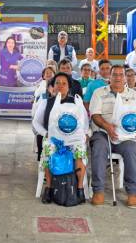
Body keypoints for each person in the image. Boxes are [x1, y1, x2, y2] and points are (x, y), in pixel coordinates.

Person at [89, 65, 136, 208]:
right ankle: (98, 190)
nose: (118, 77)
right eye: (114, 75)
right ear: (109, 77)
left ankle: (133, 192)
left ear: (125, 77)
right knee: (99, 147)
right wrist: (107, 126)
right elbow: (95, 115)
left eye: (121, 75)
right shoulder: (99, 93)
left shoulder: (134, 95)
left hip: (126, 136)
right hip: (103, 132)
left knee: (131, 150)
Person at [32, 73, 89, 205]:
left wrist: (84, 134)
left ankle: (79, 189)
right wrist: (46, 134)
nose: (60, 86)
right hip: (54, 140)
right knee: (48, 148)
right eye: (57, 83)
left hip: (73, 140)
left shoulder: (76, 103)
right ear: (52, 86)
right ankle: (49, 188)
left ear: (69, 87)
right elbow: (36, 123)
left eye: (64, 83)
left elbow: (85, 123)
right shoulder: (46, 102)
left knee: (80, 149)